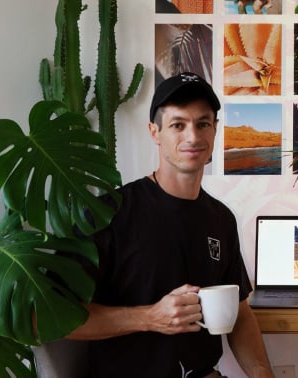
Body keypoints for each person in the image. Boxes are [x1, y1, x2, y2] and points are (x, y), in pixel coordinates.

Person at [67, 72, 274, 378]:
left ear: (215, 130)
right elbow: (54, 316)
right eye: (178, 125)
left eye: (203, 123)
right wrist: (149, 317)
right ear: (155, 132)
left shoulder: (221, 219)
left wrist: (262, 373)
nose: (193, 136)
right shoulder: (109, 213)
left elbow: (240, 312)